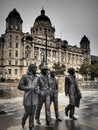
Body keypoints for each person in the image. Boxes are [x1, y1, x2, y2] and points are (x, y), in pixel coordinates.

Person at [18, 64, 39, 130]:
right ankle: (23, 119)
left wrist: (37, 89)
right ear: (31, 69)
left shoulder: (37, 77)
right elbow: (19, 86)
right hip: (27, 97)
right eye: (35, 68)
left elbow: (39, 86)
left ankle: (31, 126)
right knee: (27, 112)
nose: (36, 69)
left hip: (35, 97)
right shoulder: (25, 76)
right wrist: (28, 88)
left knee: (32, 113)